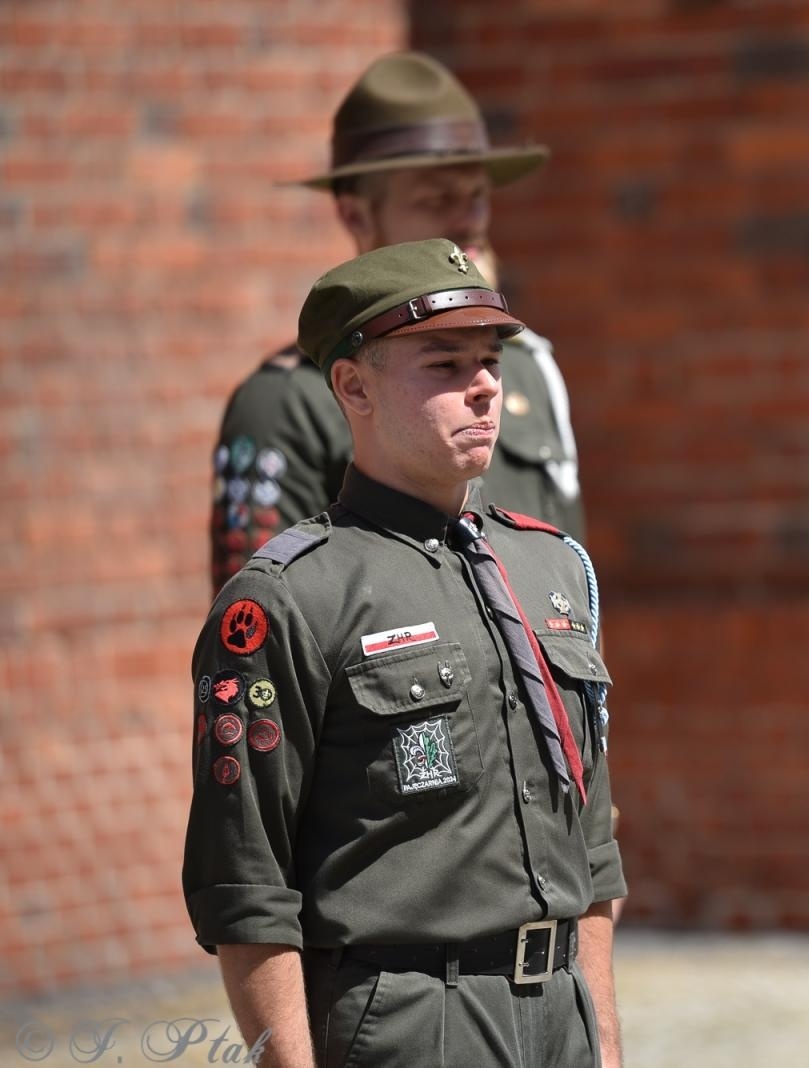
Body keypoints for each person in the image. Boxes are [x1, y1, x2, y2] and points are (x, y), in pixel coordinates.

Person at [183, 239, 624, 1068]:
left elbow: (592, 848)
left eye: (490, 359)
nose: (486, 383)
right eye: (444, 362)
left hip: (561, 1010)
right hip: (412, 1022)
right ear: (353, 386)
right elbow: (245, 884)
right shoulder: (289, 597)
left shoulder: (552, 566)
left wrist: (602, 1041)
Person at [210, 51, 583, 593]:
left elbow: (573, 601)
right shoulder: (289, 401)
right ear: (356, 215)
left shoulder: (526, 368)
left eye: (478, 196)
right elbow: (262, 631)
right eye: (436, 200)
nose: (468, 221)